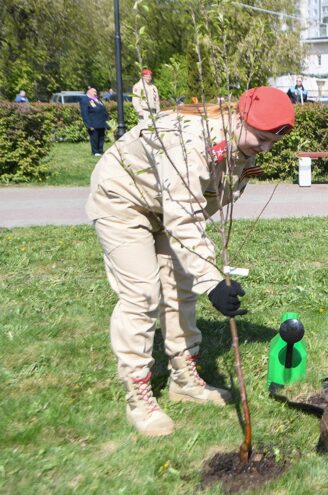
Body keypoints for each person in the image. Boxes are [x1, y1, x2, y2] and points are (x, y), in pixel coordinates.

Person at [85, 87, 295, 436]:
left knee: (181, 289)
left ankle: (185, 379)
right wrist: (213, 280)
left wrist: (202, 270)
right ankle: (139, 396)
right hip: (123, 200)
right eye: (261, 139)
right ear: (238, 118)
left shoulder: (240, 146)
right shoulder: (187, 139)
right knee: (142, 293)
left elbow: (205, 202)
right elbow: (183, 215)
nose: (265, 149)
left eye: (272, 142)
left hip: (167, 207)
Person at [80, 87, 109, 156]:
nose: (95, 93)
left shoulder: (97, 99)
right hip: (93, 123)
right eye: (93, 91)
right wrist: (88, 125)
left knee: (101, 137)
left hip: (101, 122)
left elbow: (102, 109)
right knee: (94, 138)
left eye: (95, 92)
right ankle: (95, 151)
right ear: (88, 92)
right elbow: (85, 113)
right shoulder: (85, 99)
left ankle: (100, 150)